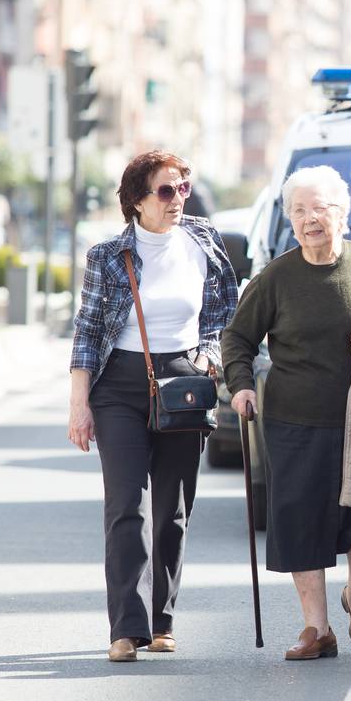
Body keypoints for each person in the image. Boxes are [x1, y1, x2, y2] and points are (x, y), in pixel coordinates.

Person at [222, 166, 351, 661]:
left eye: (322, 208)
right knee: (300, 520)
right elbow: (238, 338)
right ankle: (317, 629)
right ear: (289, 219)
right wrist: (241, 386)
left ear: (343, 214)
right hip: (295, 419)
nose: (311, 219)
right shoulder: (277, 277)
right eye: (300, 210)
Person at [67, 150, 239, 663]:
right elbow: (88, 331)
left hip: (183, 380)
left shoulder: (204, 241)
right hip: (118, 383)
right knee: (126, 505)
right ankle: (126, 627)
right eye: (165, 191)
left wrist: (208, 359)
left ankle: (162, 618)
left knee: (173, 510)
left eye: (183, 188)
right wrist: (80, 404)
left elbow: (223, 310)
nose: (177, 200)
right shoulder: (107, 256)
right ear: (136, 201)